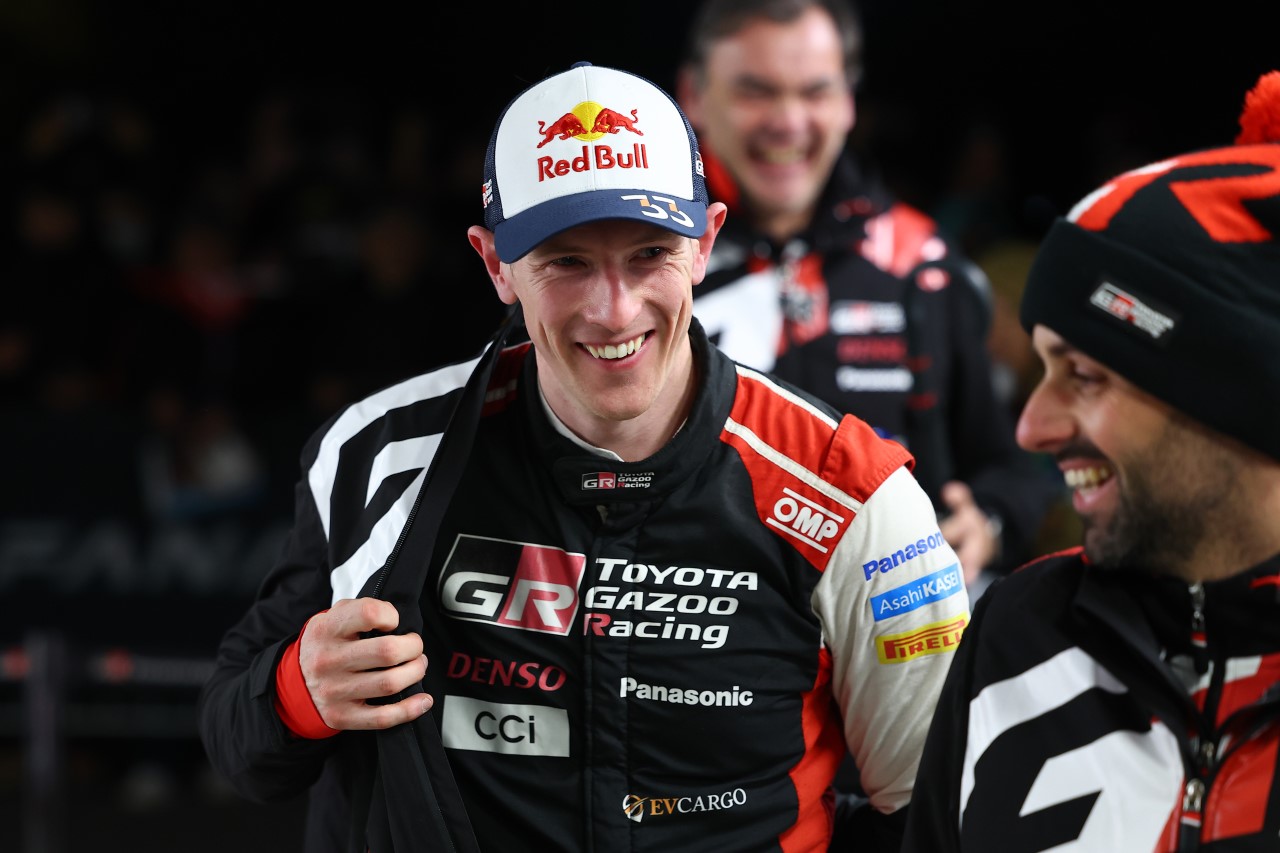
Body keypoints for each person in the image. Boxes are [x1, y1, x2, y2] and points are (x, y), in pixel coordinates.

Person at [198, 61, 970, 852]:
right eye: (566, 261)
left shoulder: (850, 491)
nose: (614, 310)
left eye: (649, 254)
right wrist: (296, 692)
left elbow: (939, 815)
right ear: (496, 264)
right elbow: (238, 742)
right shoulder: (382, 453)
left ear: (704, 244)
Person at [901, 70, 1280, 851]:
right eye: (1041, 367)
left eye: (1085, 375)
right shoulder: (1015, 628)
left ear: (1238, 395)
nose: (1032, 427)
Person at [675, 0, 1059, 589]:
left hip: (892, 619)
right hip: (697, 618)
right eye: (756, 91)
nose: (788, 121)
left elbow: (1012, 470)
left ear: (849, 103)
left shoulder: (920, 263)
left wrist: (986, 523)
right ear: (693, 97)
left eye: (815, 92)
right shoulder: (646, 261)